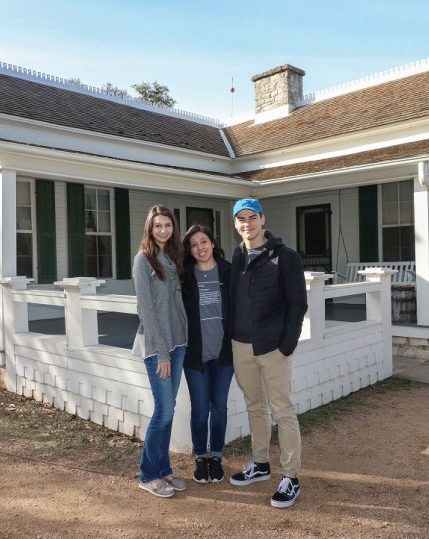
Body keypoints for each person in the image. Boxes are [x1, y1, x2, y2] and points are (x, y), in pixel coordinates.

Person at [228, 198, 308, 509]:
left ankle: (291, 477)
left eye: (252, 218)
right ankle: (260, 463)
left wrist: (286, 344)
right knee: (254, 406)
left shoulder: (285, 257)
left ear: (262, 219)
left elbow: (297, 303)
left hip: (272, 346)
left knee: (282, 411)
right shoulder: (237, 256)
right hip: (241, 344)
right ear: (236, 223)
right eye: (241, 219)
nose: (247, 224)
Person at [132, 205, 188, 498]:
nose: (163, 230)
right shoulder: (144, 260)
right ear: (150, 229)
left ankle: (163, 469)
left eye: (167, 225)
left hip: (178, 344)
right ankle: (148, 474)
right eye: (158, 226)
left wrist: (182, 343)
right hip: (158, 348)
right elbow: (146, 309)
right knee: (163, 411)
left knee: (169, 410)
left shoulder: (172, 257)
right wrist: (162, 353)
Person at [181, 224, 234, 484]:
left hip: (224, 354)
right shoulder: (185, 276)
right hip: (195, 356)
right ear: (189, 250)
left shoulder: (228, 271)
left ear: (213, 243)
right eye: (193, 244)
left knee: (220, 408)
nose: (200, 248)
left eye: (204, 241)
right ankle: (201, 456)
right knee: (200, 409)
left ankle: (217, 457)